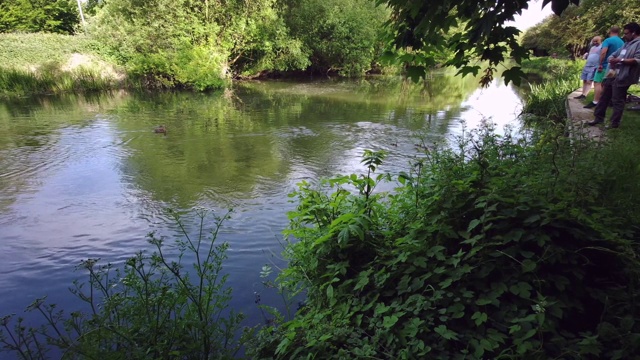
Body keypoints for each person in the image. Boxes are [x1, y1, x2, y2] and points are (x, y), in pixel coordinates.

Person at [586, 22, 640, 128]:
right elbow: (614, 53)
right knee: (604, 97)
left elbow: (637, 60)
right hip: (613, 74)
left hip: (624, 76)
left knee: (617, 99)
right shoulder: (627, 43)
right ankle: (598, 118)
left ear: (634, 33)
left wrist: (621, 60)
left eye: (626, 33)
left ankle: (614, 123)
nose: (624, 36)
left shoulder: (638, 44)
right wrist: (611, 58)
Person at [584, 26, 625, 108]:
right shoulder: (622, 42)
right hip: (616, 66)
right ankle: (605, 101)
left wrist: (600, 64)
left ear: (610, 31)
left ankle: (596, 102)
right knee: (607, 85)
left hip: (605, 65)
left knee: (597, 83)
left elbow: (603, 53)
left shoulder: (608, 40)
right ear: (619, 32)